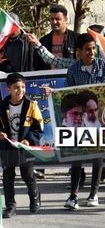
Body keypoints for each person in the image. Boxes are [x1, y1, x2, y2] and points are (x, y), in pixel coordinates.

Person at [61, 33, 105, 210]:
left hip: (98, 120)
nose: (91, 52)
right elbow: (67, 94)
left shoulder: (104, 65)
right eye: (87, 49)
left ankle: (93, 194)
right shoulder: (73, 70)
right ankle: (73, 196)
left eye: (93, 48)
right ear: (78, 52)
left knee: (98, 157)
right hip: (79, 122)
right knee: (77, 157)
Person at [0, 73, 43, 219]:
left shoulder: (31, 105)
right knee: (8, 177)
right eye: (16, 88)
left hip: (25, 147)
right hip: (7, 147)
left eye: (23, 87)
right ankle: (10, 206)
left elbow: (38, 127)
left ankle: (35, 197)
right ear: (8, 89)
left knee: (28, 175)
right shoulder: (2, 106)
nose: (20, 90)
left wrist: (29, 140)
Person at [33, 4, 77, 70]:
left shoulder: (76, 39)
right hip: (48, 79)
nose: (54, 22)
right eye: (52, 19)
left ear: (66, 19)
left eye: (57, 19)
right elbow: (37, 65)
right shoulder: (43, 41)